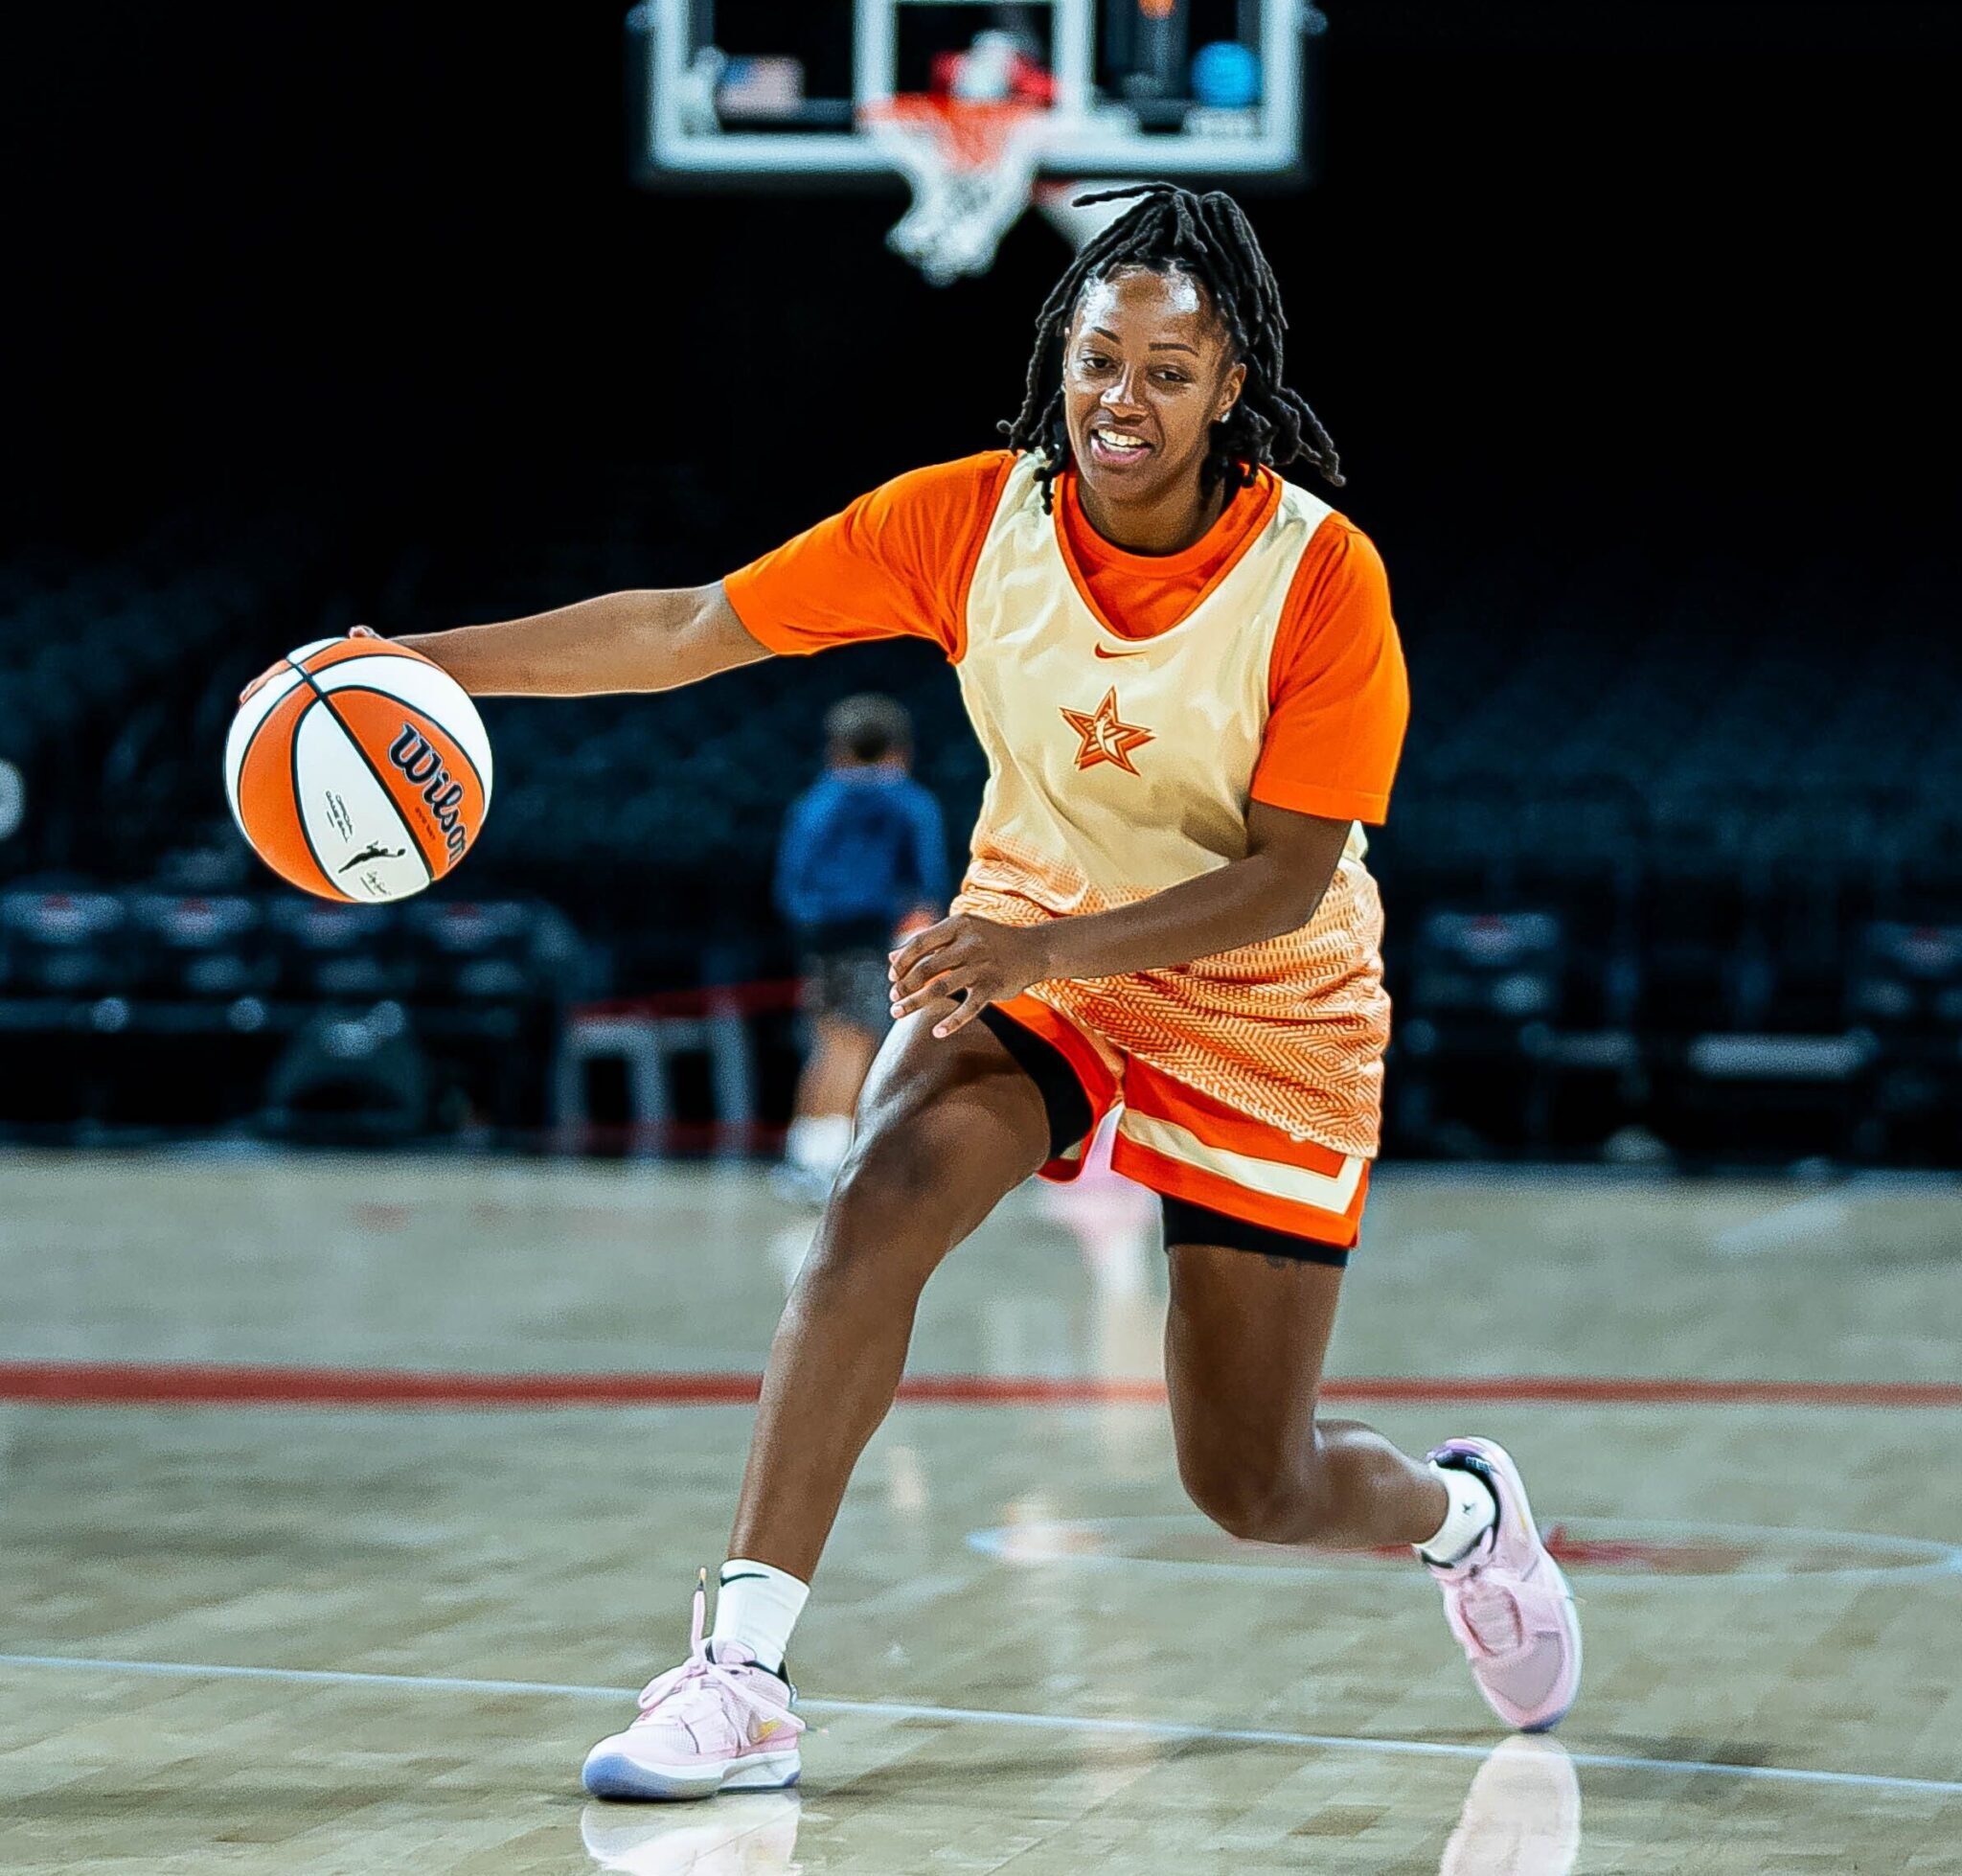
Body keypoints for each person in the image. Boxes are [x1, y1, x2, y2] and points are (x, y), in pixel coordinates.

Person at [264, 183, 1580, 1798]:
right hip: (1036, 938)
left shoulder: (1319, 574)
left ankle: (1466, 1517)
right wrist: (411, 665)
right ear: (1060, 354)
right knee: (876, 1194)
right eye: (1100, 359)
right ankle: (740, 1674)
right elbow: (689, 625)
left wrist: (1038, 953)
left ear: (1231, 385)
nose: (1123, 399)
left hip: (1265, 998)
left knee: (1251, 1481)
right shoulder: (968, 520)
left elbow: (1289, 876)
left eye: (1169, 371)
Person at [774, 694, 947, 1201]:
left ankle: (805, 1151)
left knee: (828, 1040)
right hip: (875, 938)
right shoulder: (910, 803)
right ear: (900, 750)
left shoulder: (816, 801)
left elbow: (792, 882)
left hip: (821, 940)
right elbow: (927, 882)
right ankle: (830, 1158)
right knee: (855, 1043)